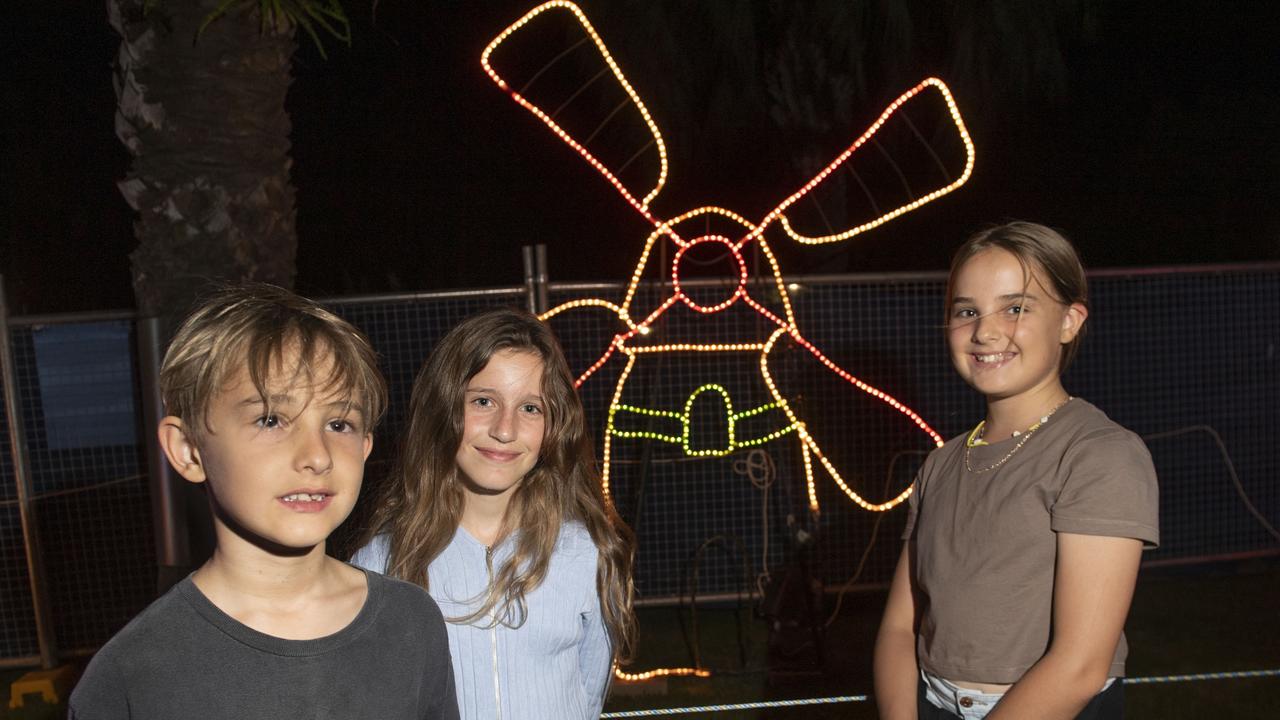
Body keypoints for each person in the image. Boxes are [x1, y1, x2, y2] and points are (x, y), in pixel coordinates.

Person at [69, 284, 459, 720]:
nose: (317, 455)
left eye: (339, 423)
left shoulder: (411, 624)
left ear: (367, 445)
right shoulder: (132, 676)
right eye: (271, 419)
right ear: (188, 450)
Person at [873, 222, 1160, 719]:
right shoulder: (942, 462)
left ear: (1069, 321)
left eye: (1016, 308)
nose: (985, 331)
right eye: (967, 311)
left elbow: (1080, 665)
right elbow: (901, 627)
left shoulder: (1099, 455)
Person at [352, 307, 636, 720]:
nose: (505, 430)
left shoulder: (585, 553)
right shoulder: (380, 565)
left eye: (530, 408)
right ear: (444, 406)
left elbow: (589, 692)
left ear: (554, 425)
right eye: (483, 401)